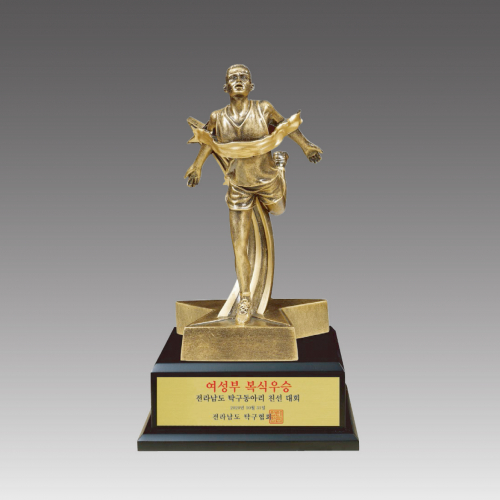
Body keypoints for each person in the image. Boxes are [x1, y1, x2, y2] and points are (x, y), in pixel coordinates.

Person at [184, 64, 323, 324]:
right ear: (225, 87)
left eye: (243, 77)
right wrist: (196, 166)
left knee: (279, 210)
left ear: (251, 86)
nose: (238, 80)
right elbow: (207, 142)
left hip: (267, 179)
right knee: (240, 245)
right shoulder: (217, 116)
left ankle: (281, 167)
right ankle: (245, 298)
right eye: (233, 78)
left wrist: (306, 147)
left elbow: (286, 126)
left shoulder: (263, 108)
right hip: (238, 185)